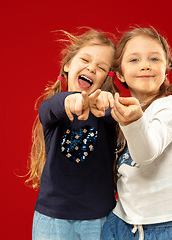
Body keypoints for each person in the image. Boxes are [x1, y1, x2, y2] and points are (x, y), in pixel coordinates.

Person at [26, 28, 120, 240]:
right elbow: (49, 109)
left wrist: (106, 101)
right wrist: (71, 100)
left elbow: (113, 116)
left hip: (99, 218)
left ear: (107, 77)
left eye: (101, 67)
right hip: (52, 218)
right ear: (68, 64)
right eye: (85, 59)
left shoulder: (107, 110)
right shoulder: (53, 107)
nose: (91, 68)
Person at [102, 27, 172, 240]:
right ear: (121, 74)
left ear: (166, 68)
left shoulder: (171, 108)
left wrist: (133, 121)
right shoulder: (122, 111)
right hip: (120, 221)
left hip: (164, 226)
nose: (145, 65)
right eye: (134, 60)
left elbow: (146, 152)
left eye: (154, 58)